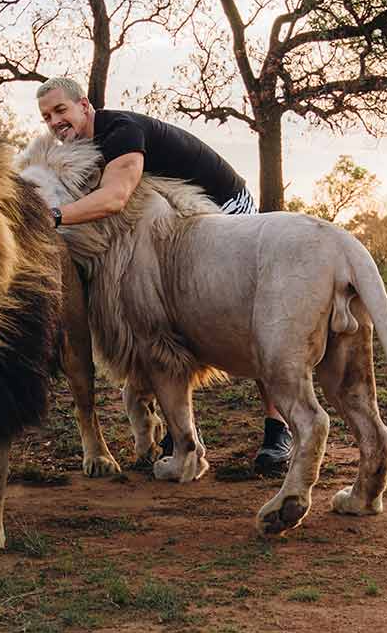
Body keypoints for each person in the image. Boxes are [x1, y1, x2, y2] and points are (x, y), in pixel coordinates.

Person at [36, 76, 292, 475]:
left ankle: (279, 430)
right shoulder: (80, 148)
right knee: (166, 324)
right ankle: (180, 432)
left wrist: (47, 217)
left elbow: (115, 198)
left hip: (225, 210)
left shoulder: (120, 132)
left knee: (250, 319)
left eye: (61, 110)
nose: (54, 122)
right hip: (180, 217)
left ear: (84, 106)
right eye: (47, 116)